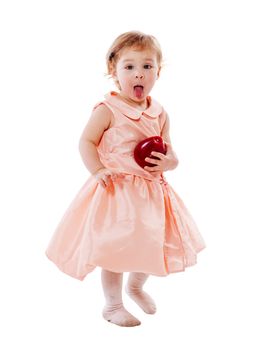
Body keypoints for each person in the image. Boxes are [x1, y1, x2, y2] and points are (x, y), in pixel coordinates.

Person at [45, 30, 206, 327]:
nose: (139, 74)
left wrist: (172, 161)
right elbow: (86, 142)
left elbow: (168, 147)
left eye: (147, 66)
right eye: (129, 66)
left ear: (159, 71)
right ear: (114, 71)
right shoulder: (108, 109)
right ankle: (112, 304)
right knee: (115, 248)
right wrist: (98, 169)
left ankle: (136, 287)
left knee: (151, 242)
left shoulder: (159, 112)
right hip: (117, 190)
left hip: (151, 193)